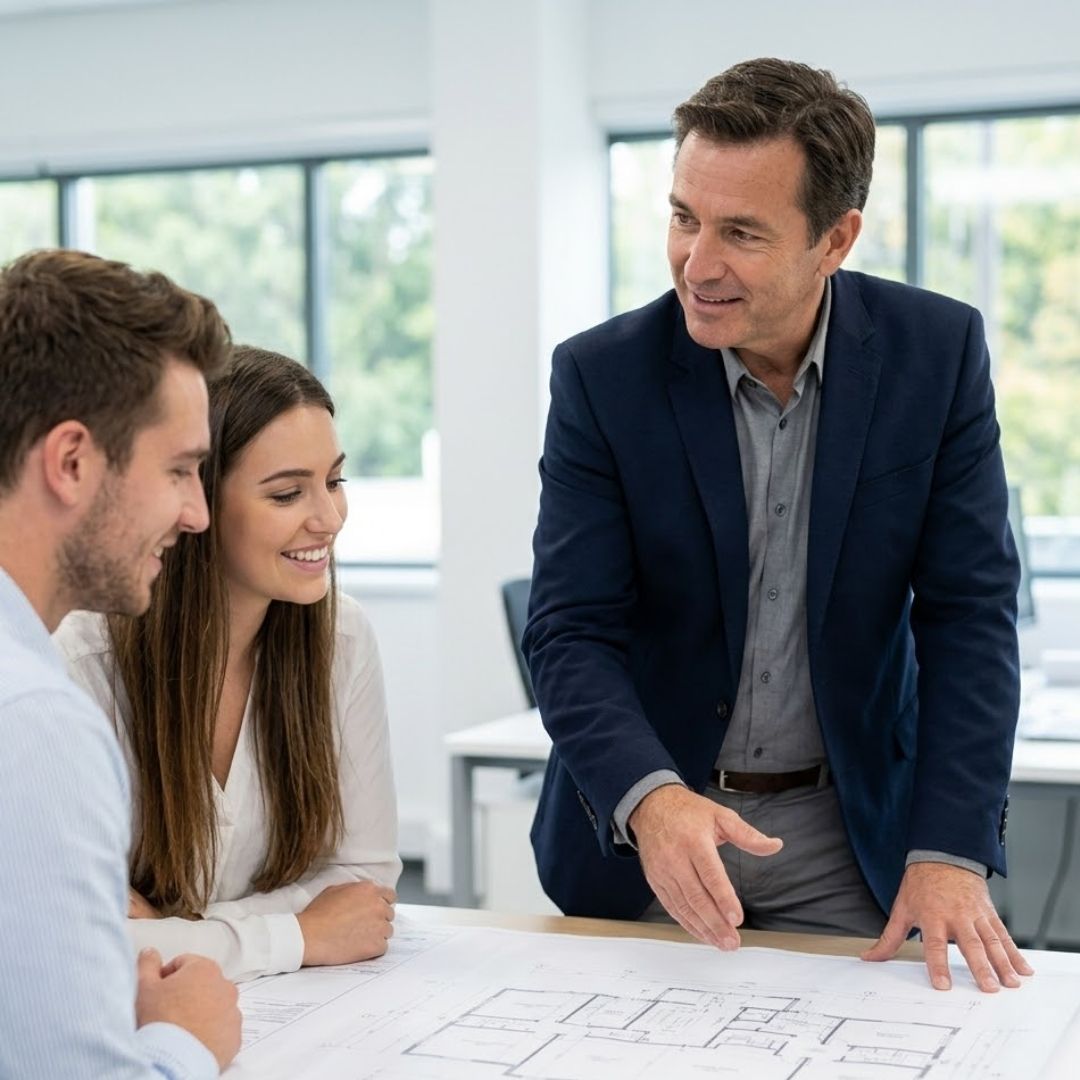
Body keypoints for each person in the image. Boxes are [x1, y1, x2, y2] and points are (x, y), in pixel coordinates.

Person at [524, 57, 1033, 995]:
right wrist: (653, 799)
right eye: (684, 218)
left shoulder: (937, 354)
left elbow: (968, 616)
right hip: (650, 838)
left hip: (845, 837)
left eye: (741, 233)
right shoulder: (603, 378)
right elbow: (569, 629)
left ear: (835, 240)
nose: (697, 263)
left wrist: (951, 847)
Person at [54, 345, 401, 984]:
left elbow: (363, 886)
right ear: (197, 503)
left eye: (335, 481)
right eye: (288, 493)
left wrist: (171, 930)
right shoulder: (79, 663)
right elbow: (67, 943)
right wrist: (297, 933)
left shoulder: (342, 636)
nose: (328, 518)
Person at [0, 247, 241, 1077]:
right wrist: (186, 1038)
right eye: (178, 470)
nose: (198, 514)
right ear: (72, 462)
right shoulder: (32, 725)